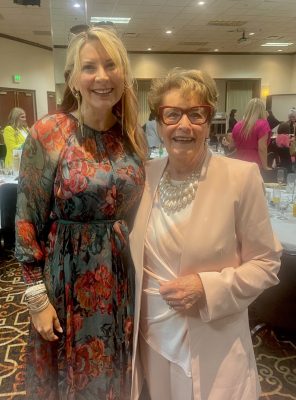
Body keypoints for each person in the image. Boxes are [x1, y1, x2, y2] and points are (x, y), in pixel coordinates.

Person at [129, 68, 282, 400]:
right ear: (158, 124)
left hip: (215, 343)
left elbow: (267, 263)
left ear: (209, 121)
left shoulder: (240, 177)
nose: (183, 125)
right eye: (172, 114)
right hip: (152, 338)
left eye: (196, 114)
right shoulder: (144, 176)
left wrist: (207, 288)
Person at [15, 26, 146, 399]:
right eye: (89, 67)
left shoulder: (132, 136)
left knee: (115, 372)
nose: (102, 77)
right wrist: (37, 298)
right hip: (67, 280)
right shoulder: (50, 132)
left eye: (111, 65)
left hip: (122, 279)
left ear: (124, 73)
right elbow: (26, 219)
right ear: (72, 78)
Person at [228, 98, 272, 171]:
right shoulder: (263, 124)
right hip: (254, 165)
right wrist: (265, 166)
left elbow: (231, 146)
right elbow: (262, 148)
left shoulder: (237, 125)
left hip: (239, 163)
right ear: (262, 110)